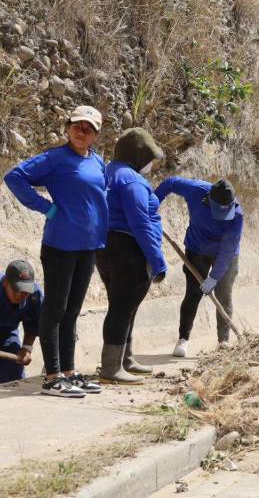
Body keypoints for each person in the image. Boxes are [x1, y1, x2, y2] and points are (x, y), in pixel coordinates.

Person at [4, 105, 106, 397]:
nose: (81, 131)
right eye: (77, 125)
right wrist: (46, 208)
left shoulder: (97, 162)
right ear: (68, 127)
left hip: (88, 247)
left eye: (89, 128)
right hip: (60, 245)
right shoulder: (55, 159)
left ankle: (69, 373)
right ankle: (51, 378)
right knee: (55, 310)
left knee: (72, 311)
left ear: (96, 135)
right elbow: (15, 177)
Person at [96, 128, 167, 384]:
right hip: (128, 249)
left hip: (105, 247)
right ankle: (111, 367)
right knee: (122, 307)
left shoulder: (108, 172)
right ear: (138, 155)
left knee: (124, 306)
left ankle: (125, 359)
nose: (151, 164)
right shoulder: (132, 181)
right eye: (149, 157)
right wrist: (158, 261)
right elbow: (140, 223)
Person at [155, 178, 243, 357]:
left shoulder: (237, 215)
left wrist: (214, 277)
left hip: (225, 254)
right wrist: (152, 204)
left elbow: (228, 251)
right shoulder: (196, 191)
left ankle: (223, 342)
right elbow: (170, 183)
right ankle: (183, 339)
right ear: (208, 199)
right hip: (197, 249)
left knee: (223, 294)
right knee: (193, 293)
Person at [0, 261, 44, 384]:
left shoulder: (35, 295)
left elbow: (33, 324)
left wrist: (26, 348)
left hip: (8, 331)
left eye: (25, 291)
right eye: (16, 290)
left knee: (13, 377)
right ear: (5, 283)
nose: (20, 295)